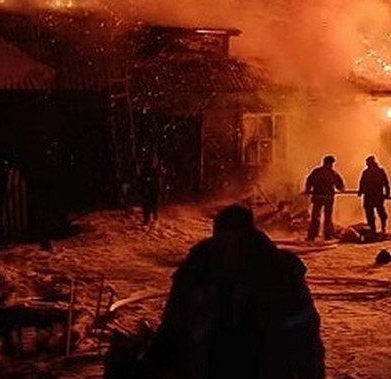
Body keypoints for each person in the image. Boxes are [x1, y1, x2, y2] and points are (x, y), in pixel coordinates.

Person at [138, 204, 325, 379]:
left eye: (233, 241)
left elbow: (306, 338)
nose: (227, 249)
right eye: (222, 242)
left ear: (247, 238)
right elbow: (172, 329)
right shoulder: (198, 271)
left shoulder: (277, 275)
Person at [304, 155, 345, 241]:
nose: (332, 165)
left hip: (319, 196)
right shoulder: (332, 173)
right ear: (329, 163)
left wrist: (308, 189)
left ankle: (313, 235)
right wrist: (342, 189)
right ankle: (327, 235)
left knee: (316, 216)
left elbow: (309, 180)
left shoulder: (317, 171)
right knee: (326, 217)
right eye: (331, 163)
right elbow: (339, 185)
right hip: (328, 197)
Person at [357, 155, 391, 235]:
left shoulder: (379, 171)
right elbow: (362, 183)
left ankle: (382, 227)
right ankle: (373, 229)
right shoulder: (367, 172)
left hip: (376, 195)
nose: (367, 164)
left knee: (380, 213)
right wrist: (360, 191)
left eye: (368, 163)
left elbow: (386, 183)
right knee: (370, 214)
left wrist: (387, 193)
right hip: (371, 195)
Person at [139, 161, 161, 225]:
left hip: (154, 191)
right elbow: (142, 181)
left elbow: (158, 182)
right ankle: (148, 220)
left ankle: (154, 220)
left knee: (154, 206)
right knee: (147, 206)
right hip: (148, 191)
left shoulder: (156, 172)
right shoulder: (146, 171)